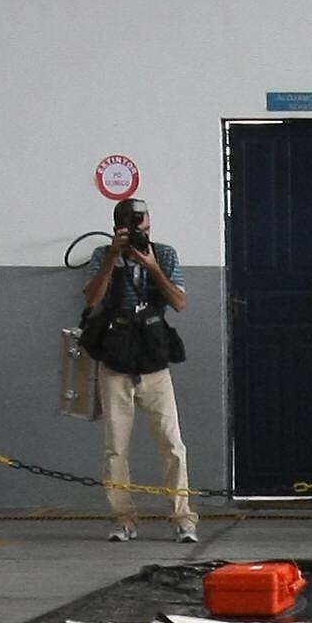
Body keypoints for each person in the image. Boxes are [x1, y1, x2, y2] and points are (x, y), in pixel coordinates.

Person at [81, 198, 194, 544]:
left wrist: (153, 267)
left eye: (145, 229)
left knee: (172, 444)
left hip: (153, 360)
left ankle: (182, 518)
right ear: (119, 229)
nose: (141, 236)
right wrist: (113, 258)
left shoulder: (165, 254)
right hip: (115, 360)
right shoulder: (103, 255)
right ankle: (123, 519)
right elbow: (93, 299)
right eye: (134, 230)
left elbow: (179, 302)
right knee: (116, 447)